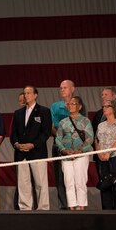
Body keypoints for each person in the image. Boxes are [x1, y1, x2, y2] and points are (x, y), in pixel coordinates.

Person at [10, 85, 52, 211]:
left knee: (40, 184)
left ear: (35, 95)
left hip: (37, 153)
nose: (26, 95)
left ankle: (43, 208)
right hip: (21, 153)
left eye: (29, 93)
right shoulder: (18, 113)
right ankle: (25, 208)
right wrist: (17, 144)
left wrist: (33, 144)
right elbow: (13, 134)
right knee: (23, 184)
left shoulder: (44, 111)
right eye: (25, 93)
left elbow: (46, 133)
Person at [50, 80, 85, 210]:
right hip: (60, 146)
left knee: (77, 176)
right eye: (61, 88)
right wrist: (61, 138)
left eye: (65, 87)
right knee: (60, 177)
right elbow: (52, 127)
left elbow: (83, 126)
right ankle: (64, 206)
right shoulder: (55, 106)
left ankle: (77, 204)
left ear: (72, 89)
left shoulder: (79, 104)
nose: (62, 90)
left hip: (76, 147)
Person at [55, 96, 94, 210]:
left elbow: (90, 138)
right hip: (66, 156)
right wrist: (64, 150)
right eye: (69, 104)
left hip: (80, 155)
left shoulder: (85, 121)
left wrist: (80, 151)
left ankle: (81, 206)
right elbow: (58, 138)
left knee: (80, 182)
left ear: (79, 106)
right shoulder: (63, 122)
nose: (70, 106)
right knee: (69, 182)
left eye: (73, 104)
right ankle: (72, 206)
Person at [95, 100, 116, 210]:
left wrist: (109, 152)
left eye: (107, 106)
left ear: (114, 108)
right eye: (103, 106)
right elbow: (96, 140)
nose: (104, 108)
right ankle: (106, 210)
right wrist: (99, 152)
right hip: (103, 157)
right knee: (105, 184)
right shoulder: (101, 125)